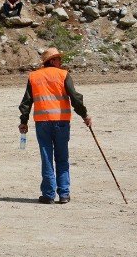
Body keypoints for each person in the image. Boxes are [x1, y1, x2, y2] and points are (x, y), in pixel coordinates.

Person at [18, 47, 92, 204]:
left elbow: (26, 102)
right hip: (61, 122)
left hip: (42, 122)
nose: (61, 62)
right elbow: (75, 98)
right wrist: (84, 115)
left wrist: (23, 122)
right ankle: (64, 194)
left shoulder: (34, 76)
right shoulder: (63, 74)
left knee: (46, 158)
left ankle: (48, 194)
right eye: (58, 59)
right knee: (62, 158)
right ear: (51, 61)